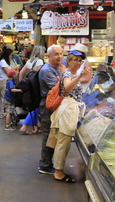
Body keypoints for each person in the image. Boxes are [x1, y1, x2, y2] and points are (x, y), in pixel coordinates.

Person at [49, 48, 93, 183]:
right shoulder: (68, 74)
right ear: (68, 61)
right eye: (75, 60)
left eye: (80, 61)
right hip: (67, 111)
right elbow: (67, 87)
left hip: (71, 110)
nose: (78, 63)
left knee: (64, 142)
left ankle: (58, 169)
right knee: (63, 142)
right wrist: (79, 76)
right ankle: (58, 172)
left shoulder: (72, 73)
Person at [37, 45, 65, 175]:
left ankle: (48, 163)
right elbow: (59, 89)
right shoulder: (47, 70)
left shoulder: (58, 68)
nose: (59, 56)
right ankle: (45, 165)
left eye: (61, 53)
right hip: (48, 107)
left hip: (55, 106)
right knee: (48, 135)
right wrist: (63, 76)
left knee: (52, 135)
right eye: (56, 54)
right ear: (49, 56)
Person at [0, 48, 14, 119]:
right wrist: (14, 70)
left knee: (3, 96)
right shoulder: (3, 62)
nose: (11, 57)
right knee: (4, 97)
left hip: (4, 80)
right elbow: (8, 72)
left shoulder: (4, 62)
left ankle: (2, 112)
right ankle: (1, 113)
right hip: (3, 80)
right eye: (11, 55)